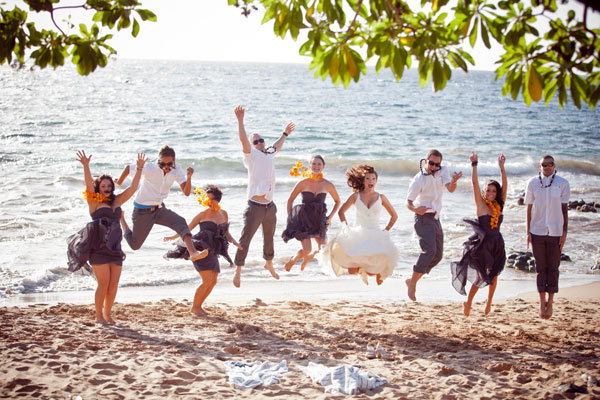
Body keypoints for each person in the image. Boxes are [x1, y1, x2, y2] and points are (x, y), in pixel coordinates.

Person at [70, 150, 146, 324]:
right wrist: (86, 166)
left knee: (113, 284)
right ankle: (98, 316)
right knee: (103, 284)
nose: (107, 189)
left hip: (116, 248)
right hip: (98, 248)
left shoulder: (117, 201)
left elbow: (133, 188)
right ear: (99, 188)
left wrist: (139, 169)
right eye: (103, 186)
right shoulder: (94, 202)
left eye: (109, 186)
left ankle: (108, 314)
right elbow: (88, 186)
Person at [232, 105, 295, 287]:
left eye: (261, 140)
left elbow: (276, 146)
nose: (260, 143)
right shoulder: (250, 156)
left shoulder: (268, 153)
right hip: (255, 207)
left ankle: (269, 264)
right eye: (256, 141)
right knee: (246, 239)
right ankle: (238, 270)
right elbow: (243, 140)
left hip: (270, 206)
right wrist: (240, 121)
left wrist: (285, 134)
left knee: (269, 237)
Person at [116, 145, 207, 262]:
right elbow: (128, 168)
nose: (166, 167)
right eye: (162, 164)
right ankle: (122, 219)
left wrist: (189, 178)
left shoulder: (177, 169)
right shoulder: (150, 167)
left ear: (174, 161)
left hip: (159, 209)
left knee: (181, 222)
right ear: (158, 161)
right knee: (135, 245)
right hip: (142, 211)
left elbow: (187, 192)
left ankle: (193, 253)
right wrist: (119, 182)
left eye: (169, 164)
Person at [164, 185, 242, 316]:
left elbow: (226, 232)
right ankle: (195, 307)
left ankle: (198, 306)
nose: (209, 202)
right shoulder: (202, 214)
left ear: (218, 200)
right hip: (201, 249)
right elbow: (186, 229)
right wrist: (172, 237)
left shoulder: (223, 214)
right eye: (207, 200)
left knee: (213, 281)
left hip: (214, 251)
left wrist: (234, 242)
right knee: (206, 281)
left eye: (212, 200)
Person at [320, 165, 398, 285]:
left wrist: (386, 230)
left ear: (376, 181)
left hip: (376, 235)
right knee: (351, 270)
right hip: (358, 234)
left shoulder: (381, 197)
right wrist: (345, 228)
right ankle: (361, 270)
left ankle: (371, 272)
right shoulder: (356, 196)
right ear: (363, 181)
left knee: (372, 271)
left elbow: (394, 216)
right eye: (368, 179)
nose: (371, 181)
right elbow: (341, 212)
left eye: (373, 179)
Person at [451, 153, 507, 316]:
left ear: (497, 193)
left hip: (497, 244)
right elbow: (474, 183)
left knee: (495, 275)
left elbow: (505, 185)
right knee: (480, 278)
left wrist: (502, 168)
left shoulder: (499, 205)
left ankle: (488, 303)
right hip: (483, 246)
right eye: (488, 190)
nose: (491, 193)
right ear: (484, 192)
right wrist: (474, 164)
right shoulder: (481, 205)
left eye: (493, 191)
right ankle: (468, 302)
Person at [405, 149, 462, 301]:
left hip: (436, 218)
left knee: (437, 256)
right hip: (423, 218)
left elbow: (450, 189)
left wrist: (454, 181)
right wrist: (416, 209)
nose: (434, 167)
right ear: (425, 161)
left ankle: (412, 281)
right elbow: (408, 203)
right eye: (431, 163)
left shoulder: (443, 172)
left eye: (437, 164)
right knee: (429, 251)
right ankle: (412, 283)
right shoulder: (418, 179)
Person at [525, 154, 570, 319]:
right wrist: (528, 232)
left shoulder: (562, 183)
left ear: (555, 166)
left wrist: (565, 232)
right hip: (537, 231)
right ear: (540, 167)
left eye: (550, 164)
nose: (547, 167)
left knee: (553, 268)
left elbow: (564, 210)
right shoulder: (532, 183)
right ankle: (541, 301)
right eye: (544, 165)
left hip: (556, 232)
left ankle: (550, 302)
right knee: (540, 268)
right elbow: (528, 209)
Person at [282, 155, 341, 271]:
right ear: (309, 166)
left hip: (319, 221)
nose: (316, 166)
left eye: (319, 164)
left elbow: (337, 201)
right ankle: (294, 259)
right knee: (306, 249)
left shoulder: (328, 184)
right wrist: (291, 218)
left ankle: (308, 258)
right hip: (304, 221)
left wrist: (329, 218)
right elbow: (290, 200)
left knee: (323, 249)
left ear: (323, 166)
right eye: (314, 164)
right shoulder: (303, 183)